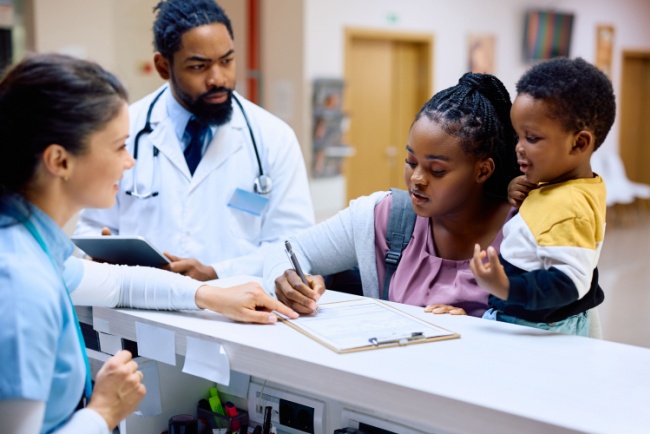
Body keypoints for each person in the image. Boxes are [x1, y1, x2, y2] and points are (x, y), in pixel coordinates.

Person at [0, 54, 297, 434]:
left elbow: (121, 283)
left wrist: (208, 295)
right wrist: (104, 411)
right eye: (120, 146)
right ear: (59, 160)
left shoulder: (32, 246)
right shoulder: (21, 282)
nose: (130, 162)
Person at [74, 0, 314, 280]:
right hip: (140, 309)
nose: (218, 78)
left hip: (238, 312)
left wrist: (216, 273)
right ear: (163, 66)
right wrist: (98, 256)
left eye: (227, 61)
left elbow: (291, 245)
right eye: (199, 66)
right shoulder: (123, 128)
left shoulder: (273, 137)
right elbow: (92, 227)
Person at [265, 72, 520, 316]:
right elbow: (290, 249)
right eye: (411, 162)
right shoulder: (384, 216)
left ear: (483, 170)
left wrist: (478, 327)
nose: (417, 179)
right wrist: (286, 277)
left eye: (437, 170)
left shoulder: (525, 230)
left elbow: (552, 329)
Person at [470, 57, 614, 336]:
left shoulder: (570, 205)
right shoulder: (564, 186)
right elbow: (545, 226)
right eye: (517, 137)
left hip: (541, 330)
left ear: (579, 143)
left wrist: (506, 288)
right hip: (531, 323)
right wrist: (522, 189)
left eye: (532, 139)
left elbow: (568, 283)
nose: (519, 149)